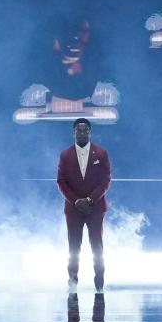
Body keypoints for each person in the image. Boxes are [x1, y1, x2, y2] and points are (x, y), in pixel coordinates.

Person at [56, 118, 111, 289]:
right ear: (73, 133)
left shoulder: (101, 153)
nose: (81, 133)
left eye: (85, 130)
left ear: (90, 132)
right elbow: (61, 181)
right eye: (78, 130)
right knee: (73, 246)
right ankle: (72, 280)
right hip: (73, 209)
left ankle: (99, 281)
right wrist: (76, 201)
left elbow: (105, 180)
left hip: (95, 208)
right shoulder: (65, 154)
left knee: (97, 245)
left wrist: (89, 200)